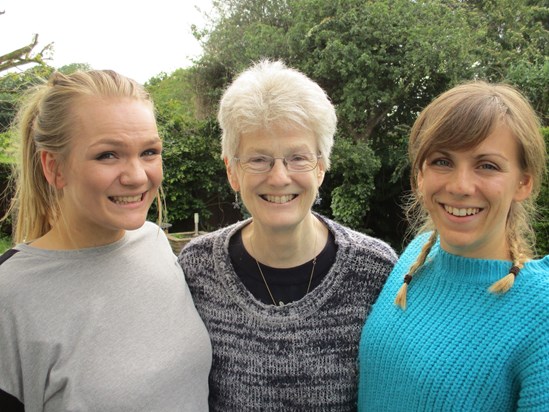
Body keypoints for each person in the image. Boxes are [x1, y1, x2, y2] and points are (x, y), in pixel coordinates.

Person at [177, 59, 397, 411]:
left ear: (322, 166)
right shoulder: (196, 269)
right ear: (232, 171)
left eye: (298, 158)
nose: (279, 178)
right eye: (259, 159)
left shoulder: (376, 270)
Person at [0, 70, 211, 411]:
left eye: (149, 152)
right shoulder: (9, 296)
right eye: (107, 155)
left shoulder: (155, 243)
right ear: (54, 167)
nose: (137, 176)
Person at [358, 81, 549, 411]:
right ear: (420, 175)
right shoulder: (415, 257)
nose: (460, 186)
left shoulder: (540, 312)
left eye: (487, 165)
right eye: (442, 161)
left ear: (523, 183)